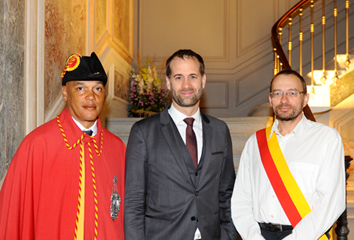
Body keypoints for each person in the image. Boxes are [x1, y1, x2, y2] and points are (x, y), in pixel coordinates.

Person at [0, 52, 126, 239]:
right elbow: (13, 218)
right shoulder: (37, 145)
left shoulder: (117, 148)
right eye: (81, 89)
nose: (91, 97)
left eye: (98, 89)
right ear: (65, 93)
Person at [124, 49, 238, 240]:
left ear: (203, 80)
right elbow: (133, 202)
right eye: (178, 77)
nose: (186, 85)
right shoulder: (143, 132)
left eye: (192, 76)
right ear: (168, 83)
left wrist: (228, 235)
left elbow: (227, 194)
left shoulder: (220, 130)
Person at [231, 69, 345, 240]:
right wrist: (253, 237)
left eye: (292, 93)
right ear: (270, 99)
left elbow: (329, 203)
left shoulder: (326, 139)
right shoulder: (255, 143)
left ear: (305, 99)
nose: (284, 100)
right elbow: (241, 199)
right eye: (278, 93)